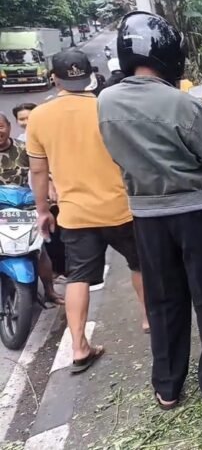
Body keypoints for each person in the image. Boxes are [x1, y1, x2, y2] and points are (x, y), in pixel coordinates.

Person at [99, 12, 202, 409]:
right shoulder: (182, 104)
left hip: (146, 216)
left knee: (162, 300)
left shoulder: (105, 101)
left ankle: (168, 386)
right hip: (196, 212)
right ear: (170, 55)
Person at [26, 50, 149, 374]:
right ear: (89, 77)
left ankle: (79, 347)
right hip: (120, 208)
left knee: (79, 277)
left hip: (75, 215)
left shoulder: (39, 117)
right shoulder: (105, 106)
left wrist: (43, 210)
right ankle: (149, 318)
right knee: (140, 264)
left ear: (54, 78)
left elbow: (38, 172)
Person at [0, 113, 63, 305]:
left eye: (0, 126)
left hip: (25, 208)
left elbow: (44, 172)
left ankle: (50, 291)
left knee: (39, 250)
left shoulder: (25, 149)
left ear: (9, 127)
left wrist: (51, 189)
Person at [12, 103, 66, 280]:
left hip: (53, 194)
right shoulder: (20, 143)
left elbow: (43, 169)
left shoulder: (50, 137)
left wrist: (50, 185)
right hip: (29, 199)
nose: (26, 122)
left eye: (29, 117)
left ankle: (62, 272)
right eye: (22, 119)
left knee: (57, 234)